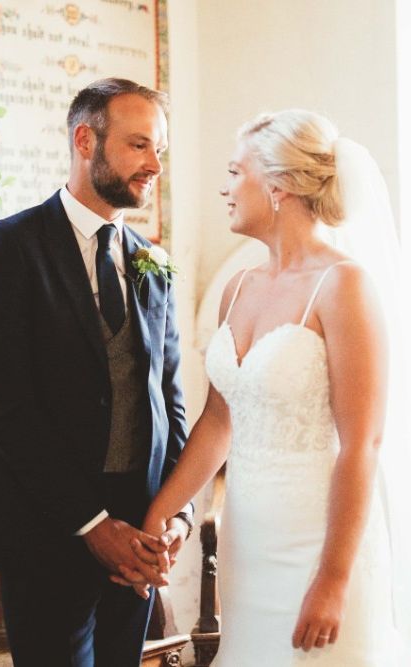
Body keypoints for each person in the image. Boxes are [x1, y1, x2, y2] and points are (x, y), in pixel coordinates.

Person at [117, 109, 408, 665]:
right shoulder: (239, 287)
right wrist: (161, 513)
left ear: (278, 186)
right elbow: (218, 424)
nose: (225, 188)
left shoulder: (343, 287)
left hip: (317, 541)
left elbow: (362, 444)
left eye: (235, 172)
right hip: (247, 543)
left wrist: (333, 578)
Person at [0, 78, 192, 667]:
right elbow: (6, 402)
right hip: (47, 528)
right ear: (85, 139)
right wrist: (92, 525)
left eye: (159, 150)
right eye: (140, 146)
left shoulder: (151, 261)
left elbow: (170, 396)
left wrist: (176, 511)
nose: (154, 166)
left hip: (141, 531)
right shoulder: (8, 246)